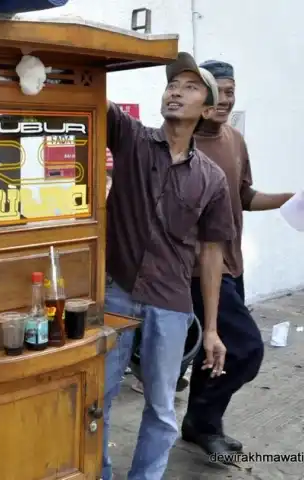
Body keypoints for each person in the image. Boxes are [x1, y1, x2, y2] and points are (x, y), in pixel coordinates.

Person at [101, 51, 235, 480]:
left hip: (172, 301)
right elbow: (96, 97)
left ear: (207, 109)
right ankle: (96, 472)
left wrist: (211, 328)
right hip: (116, 293)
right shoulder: (130, 138)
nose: (176, 91)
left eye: (191, 86)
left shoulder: (211, 178)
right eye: (172, 84)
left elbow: (212, 254)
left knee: (161, 408)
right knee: (96, 400)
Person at [181, 59, 295, 457]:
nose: (225, 100)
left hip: (232, 262)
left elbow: (244, 197)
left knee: (216, 354)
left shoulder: (234, 140)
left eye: (231, 91)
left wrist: (291, 199)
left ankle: (202, 424)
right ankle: (200, 420)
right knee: (247, 349)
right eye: (218, 91)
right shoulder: (182, 141)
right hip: (197, 269)